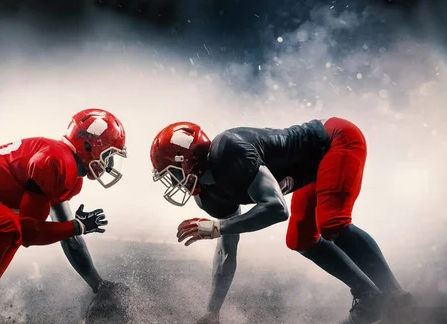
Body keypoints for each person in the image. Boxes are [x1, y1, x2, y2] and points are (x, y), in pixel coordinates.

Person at [149, 117, 414, 324]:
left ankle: (396, 297)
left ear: (190, 160)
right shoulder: (208, 195)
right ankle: (369, 296)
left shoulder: (229, 150)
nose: (174, 183)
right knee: (300, 240)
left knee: (333, 222)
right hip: (313, 169)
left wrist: (217, 227)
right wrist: (212, 311)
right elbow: (226, 253)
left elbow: (276, 208)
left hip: (336, 139)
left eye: (172, 174)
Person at [0, 108, 128, 323]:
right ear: (88, 145)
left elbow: (67, 237)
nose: (109, 164)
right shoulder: (55, 160)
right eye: (108, 155)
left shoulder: (66, 169)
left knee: (11, 233)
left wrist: (97, 284)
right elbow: (30, 234)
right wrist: (78, 226)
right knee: (9, 227)